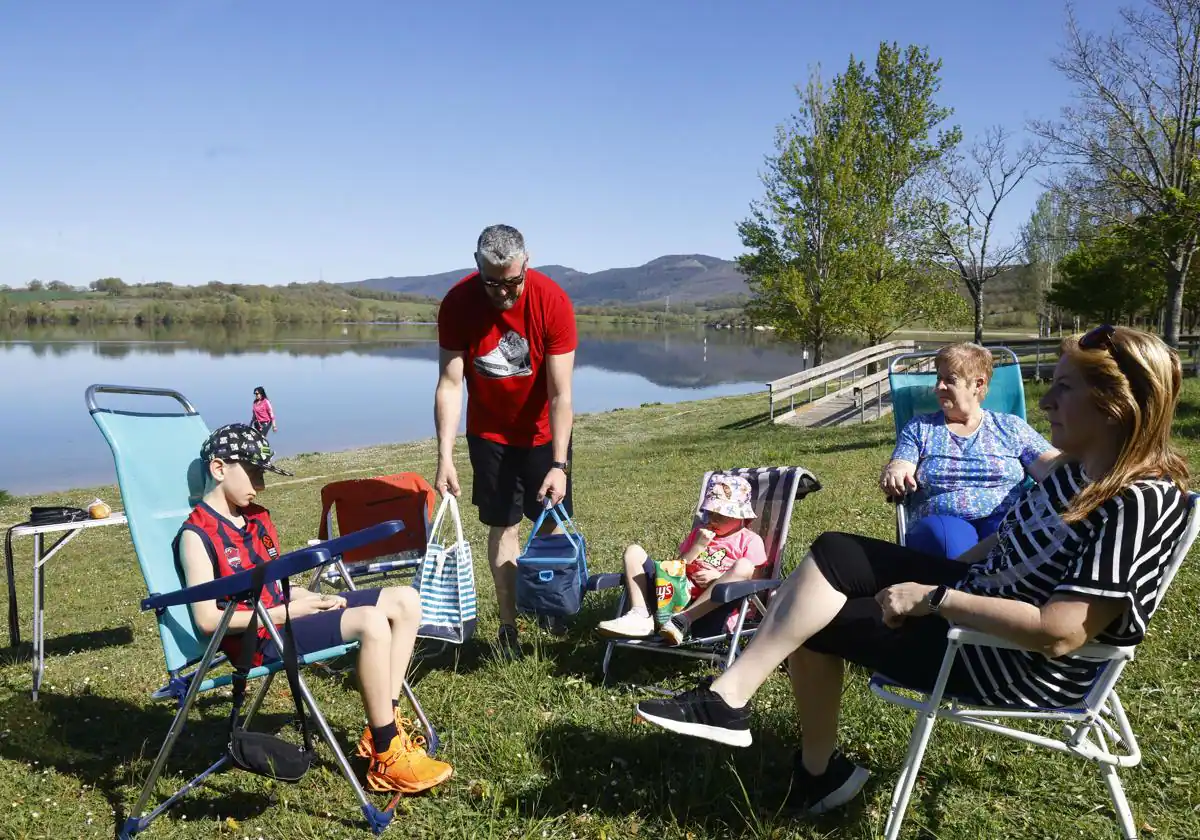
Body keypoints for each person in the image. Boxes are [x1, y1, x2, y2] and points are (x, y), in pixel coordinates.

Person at [635, 326, 1190, 816]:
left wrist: (934, 596)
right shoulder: (1077, 473)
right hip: (978, 598)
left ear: (1115, 404)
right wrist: (942, 570)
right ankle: (729, 698)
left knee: (813, 622)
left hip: (1006, 658)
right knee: (835, 553)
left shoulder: (1137, 500)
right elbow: (1014, 540)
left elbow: (1061, 631)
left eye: (1064, 387)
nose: (1046, 403)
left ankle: (813, 774)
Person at [175, 423, 452, 794]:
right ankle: (387, 755)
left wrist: (307, 599)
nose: (260, 483)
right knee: (370, 622)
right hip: (254, 640)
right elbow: (208, 621)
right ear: (219, 468)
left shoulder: (255, 518)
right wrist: (288, 613)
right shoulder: (197, 536)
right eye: (254, 472)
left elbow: (274, 587)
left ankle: (383, 727)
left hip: (282, 617)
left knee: (405, 600)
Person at [433, 224, 577, 660]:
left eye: (512, 281)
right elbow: (450, 383)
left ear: (526, 262)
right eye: (492, 282)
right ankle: (509, 623)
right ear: (477, 265)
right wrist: (445, 455)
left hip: (542, 433)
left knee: (548, 521)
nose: (503, 292)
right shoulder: (458, 303)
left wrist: (559, 464)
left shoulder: (552, 301)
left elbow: (560, 393)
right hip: (489, 434)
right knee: (504, 525)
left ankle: (550, 612)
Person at [880, 342, 1059, 558]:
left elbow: (1052, 467)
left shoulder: (1010, 427)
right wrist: (896, 471)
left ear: (978, 384)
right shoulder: (920, 428)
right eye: (939, 379)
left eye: (950, 380)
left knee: (1015, 538)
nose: (938, 387)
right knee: (945, 539)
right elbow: (902, 462)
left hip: (1005, 517)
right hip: (943, 521)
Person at [597, 473, 767, 645]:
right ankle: (639, 615)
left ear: (741, 516)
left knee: (744, 566)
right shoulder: (698, 534)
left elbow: (755, 583)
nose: (713, 519)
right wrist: (696, 548)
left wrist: (719, 579)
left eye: (721, 514)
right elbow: (674, 571)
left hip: (712, 607)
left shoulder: (750, 540)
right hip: (675, 599)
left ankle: (682, 621)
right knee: (633, 552)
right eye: (710, 512)